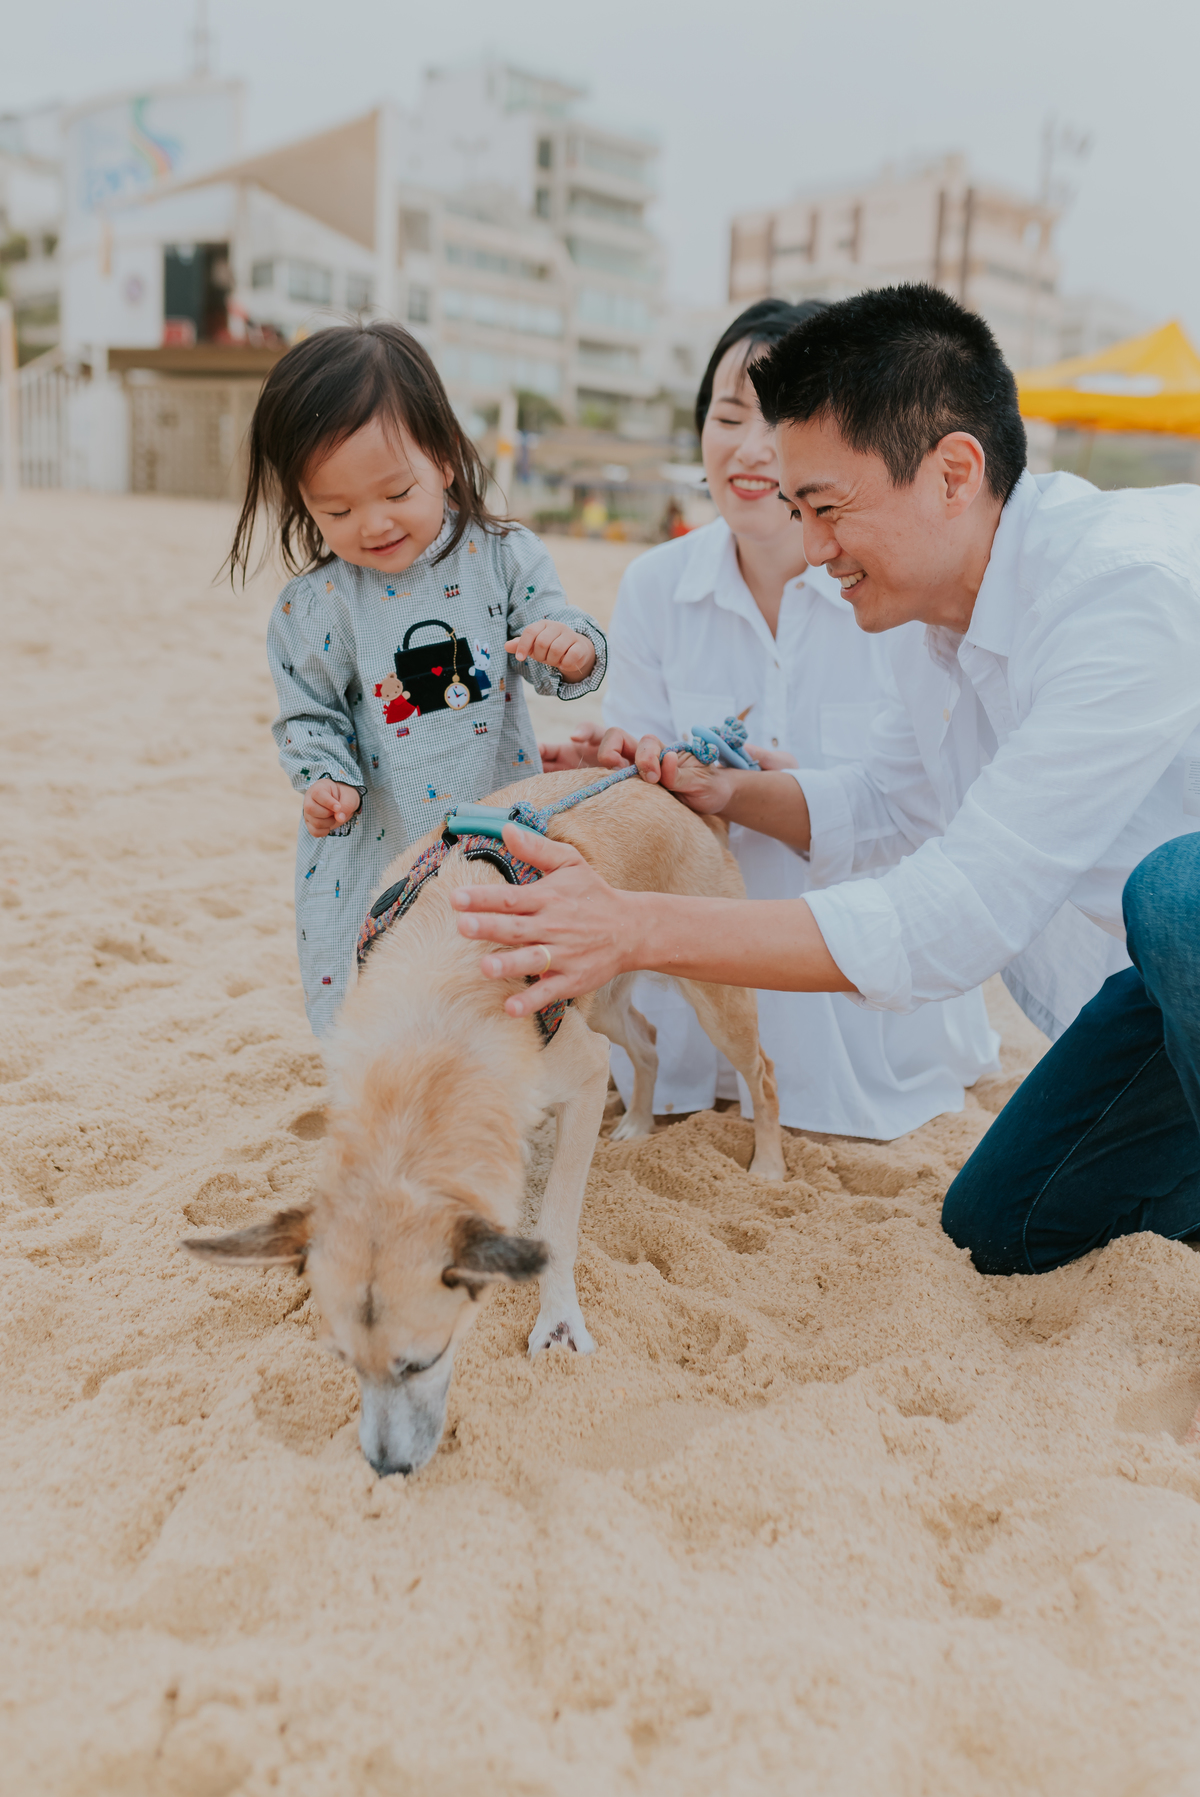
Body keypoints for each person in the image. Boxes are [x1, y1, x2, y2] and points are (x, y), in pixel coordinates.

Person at [450, 284, 1200, 1276]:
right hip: (1166, 983)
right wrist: (721, 793)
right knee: (1004, 1221)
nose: (814, 549)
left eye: (829, 509)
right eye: (798, 513)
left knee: (1175, 891)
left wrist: (631, 925)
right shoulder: (930, 621)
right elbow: (890, 805)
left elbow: (957, 911)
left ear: (953, 473)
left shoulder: (1119, 592)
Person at [541, 299, 998, 1138]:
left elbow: (915, 813)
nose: (752, 448)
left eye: (777, 422)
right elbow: (644, 793)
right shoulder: (655, 585)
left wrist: (747, 790)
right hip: (695, 970)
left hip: (857, 992)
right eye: (727, 416)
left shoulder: (896, 590)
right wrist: (620, 764)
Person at [228, 320, 606, 1033]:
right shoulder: (318, 604)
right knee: (370, 990)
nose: (372, 524)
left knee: (499, 981)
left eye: (396, 492)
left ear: (444, 458)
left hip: (493, 819)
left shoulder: (501, 557)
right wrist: (324, 778)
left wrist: (572, 650)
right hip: (374, 835)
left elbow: (550, 638)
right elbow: (308, 713)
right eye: (337, 510)